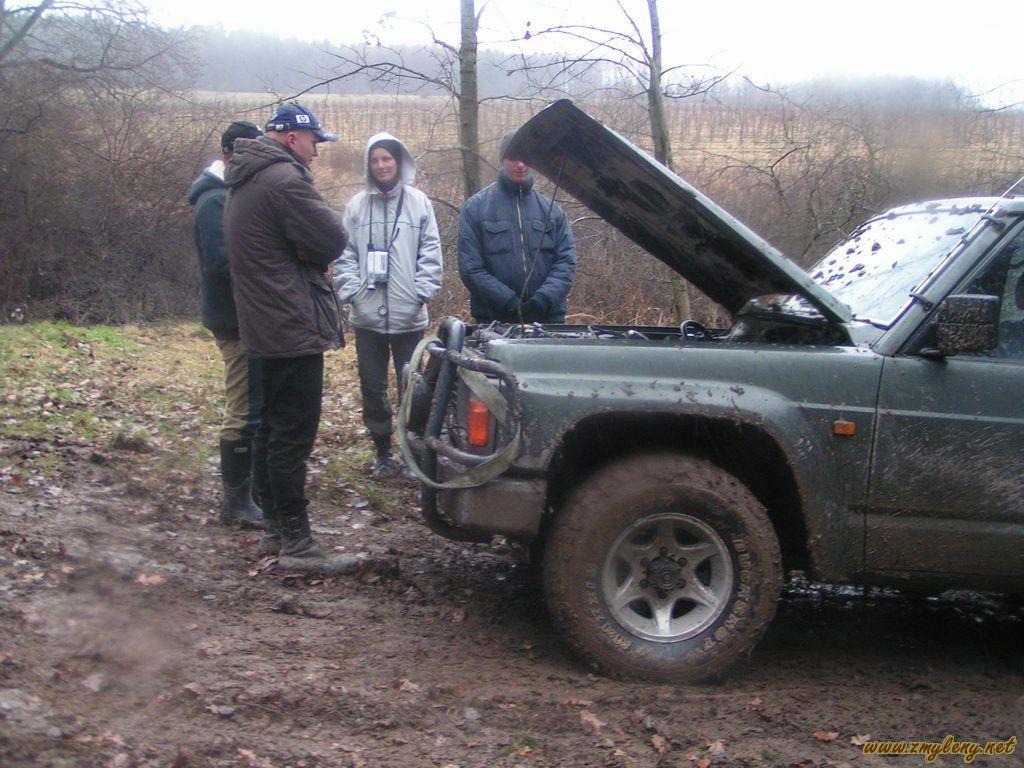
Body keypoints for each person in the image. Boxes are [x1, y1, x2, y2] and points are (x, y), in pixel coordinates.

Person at [223, 102, 361, 575]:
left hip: (262, 324)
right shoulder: (283, 180)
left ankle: (277, 530)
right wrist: (307, 254)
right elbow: (333, 238)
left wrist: (302, 251)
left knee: (268, 431)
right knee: (292, 436)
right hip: (289, 324)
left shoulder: (245, 178)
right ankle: (298, 545)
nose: (316, 152)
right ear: (290, 138)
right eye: (313, 142)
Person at [334, 133, 442, 478]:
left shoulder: (419, 203)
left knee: (412, 388)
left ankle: (411, 454)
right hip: (367, 318)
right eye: (375, 160)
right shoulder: (356, 206)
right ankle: (382, 452)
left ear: (399, 162)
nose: (381, 166)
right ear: (369, 165)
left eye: (387, 159)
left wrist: (420, 293)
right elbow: (345, 255)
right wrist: (352, 292)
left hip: (409, 317)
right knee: (373, 388)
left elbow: (431, 252)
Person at [187, 120, 265, 529]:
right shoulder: (213, 201)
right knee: (242, 406)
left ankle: (250, 492)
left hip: (246, 316)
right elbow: (220, 266)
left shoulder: (229, 193)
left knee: (254, 403)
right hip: (233, 320)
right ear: (230, 153)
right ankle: (236, 500)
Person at [458, 131, 576, 324]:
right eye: (513, 158)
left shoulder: (552, 211)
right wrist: (510, 303)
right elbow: (471, 269)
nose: (520, 164)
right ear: (502, 160)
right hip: (494, 321)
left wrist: (542, 300)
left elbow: (566, 262)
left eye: (525, 158)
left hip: (547, 320)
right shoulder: (475, 209)